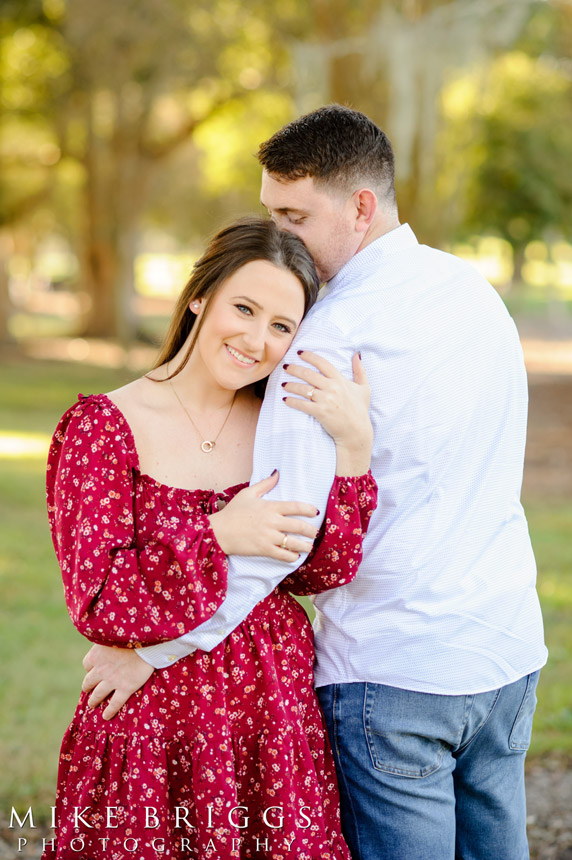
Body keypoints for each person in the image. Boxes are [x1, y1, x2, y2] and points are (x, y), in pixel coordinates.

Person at [81, 107, 548, 860]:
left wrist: (154, 653)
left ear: (361, 207)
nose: (279, 235)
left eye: (294, 215)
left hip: (395, 671)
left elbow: (279, 537)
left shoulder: (326, 339)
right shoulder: (474, 295)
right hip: (505, 652)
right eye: (271, 211)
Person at [44, 216, 378, 860]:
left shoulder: (282, 423)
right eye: (243, 309)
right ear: (201, 295)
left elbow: (322, 567)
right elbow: (101, 600)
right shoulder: (103, 427)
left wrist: (354, 449)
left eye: (282, 326)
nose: (257, 340)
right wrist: (217, 534)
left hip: (269, 713)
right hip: (152, 717)